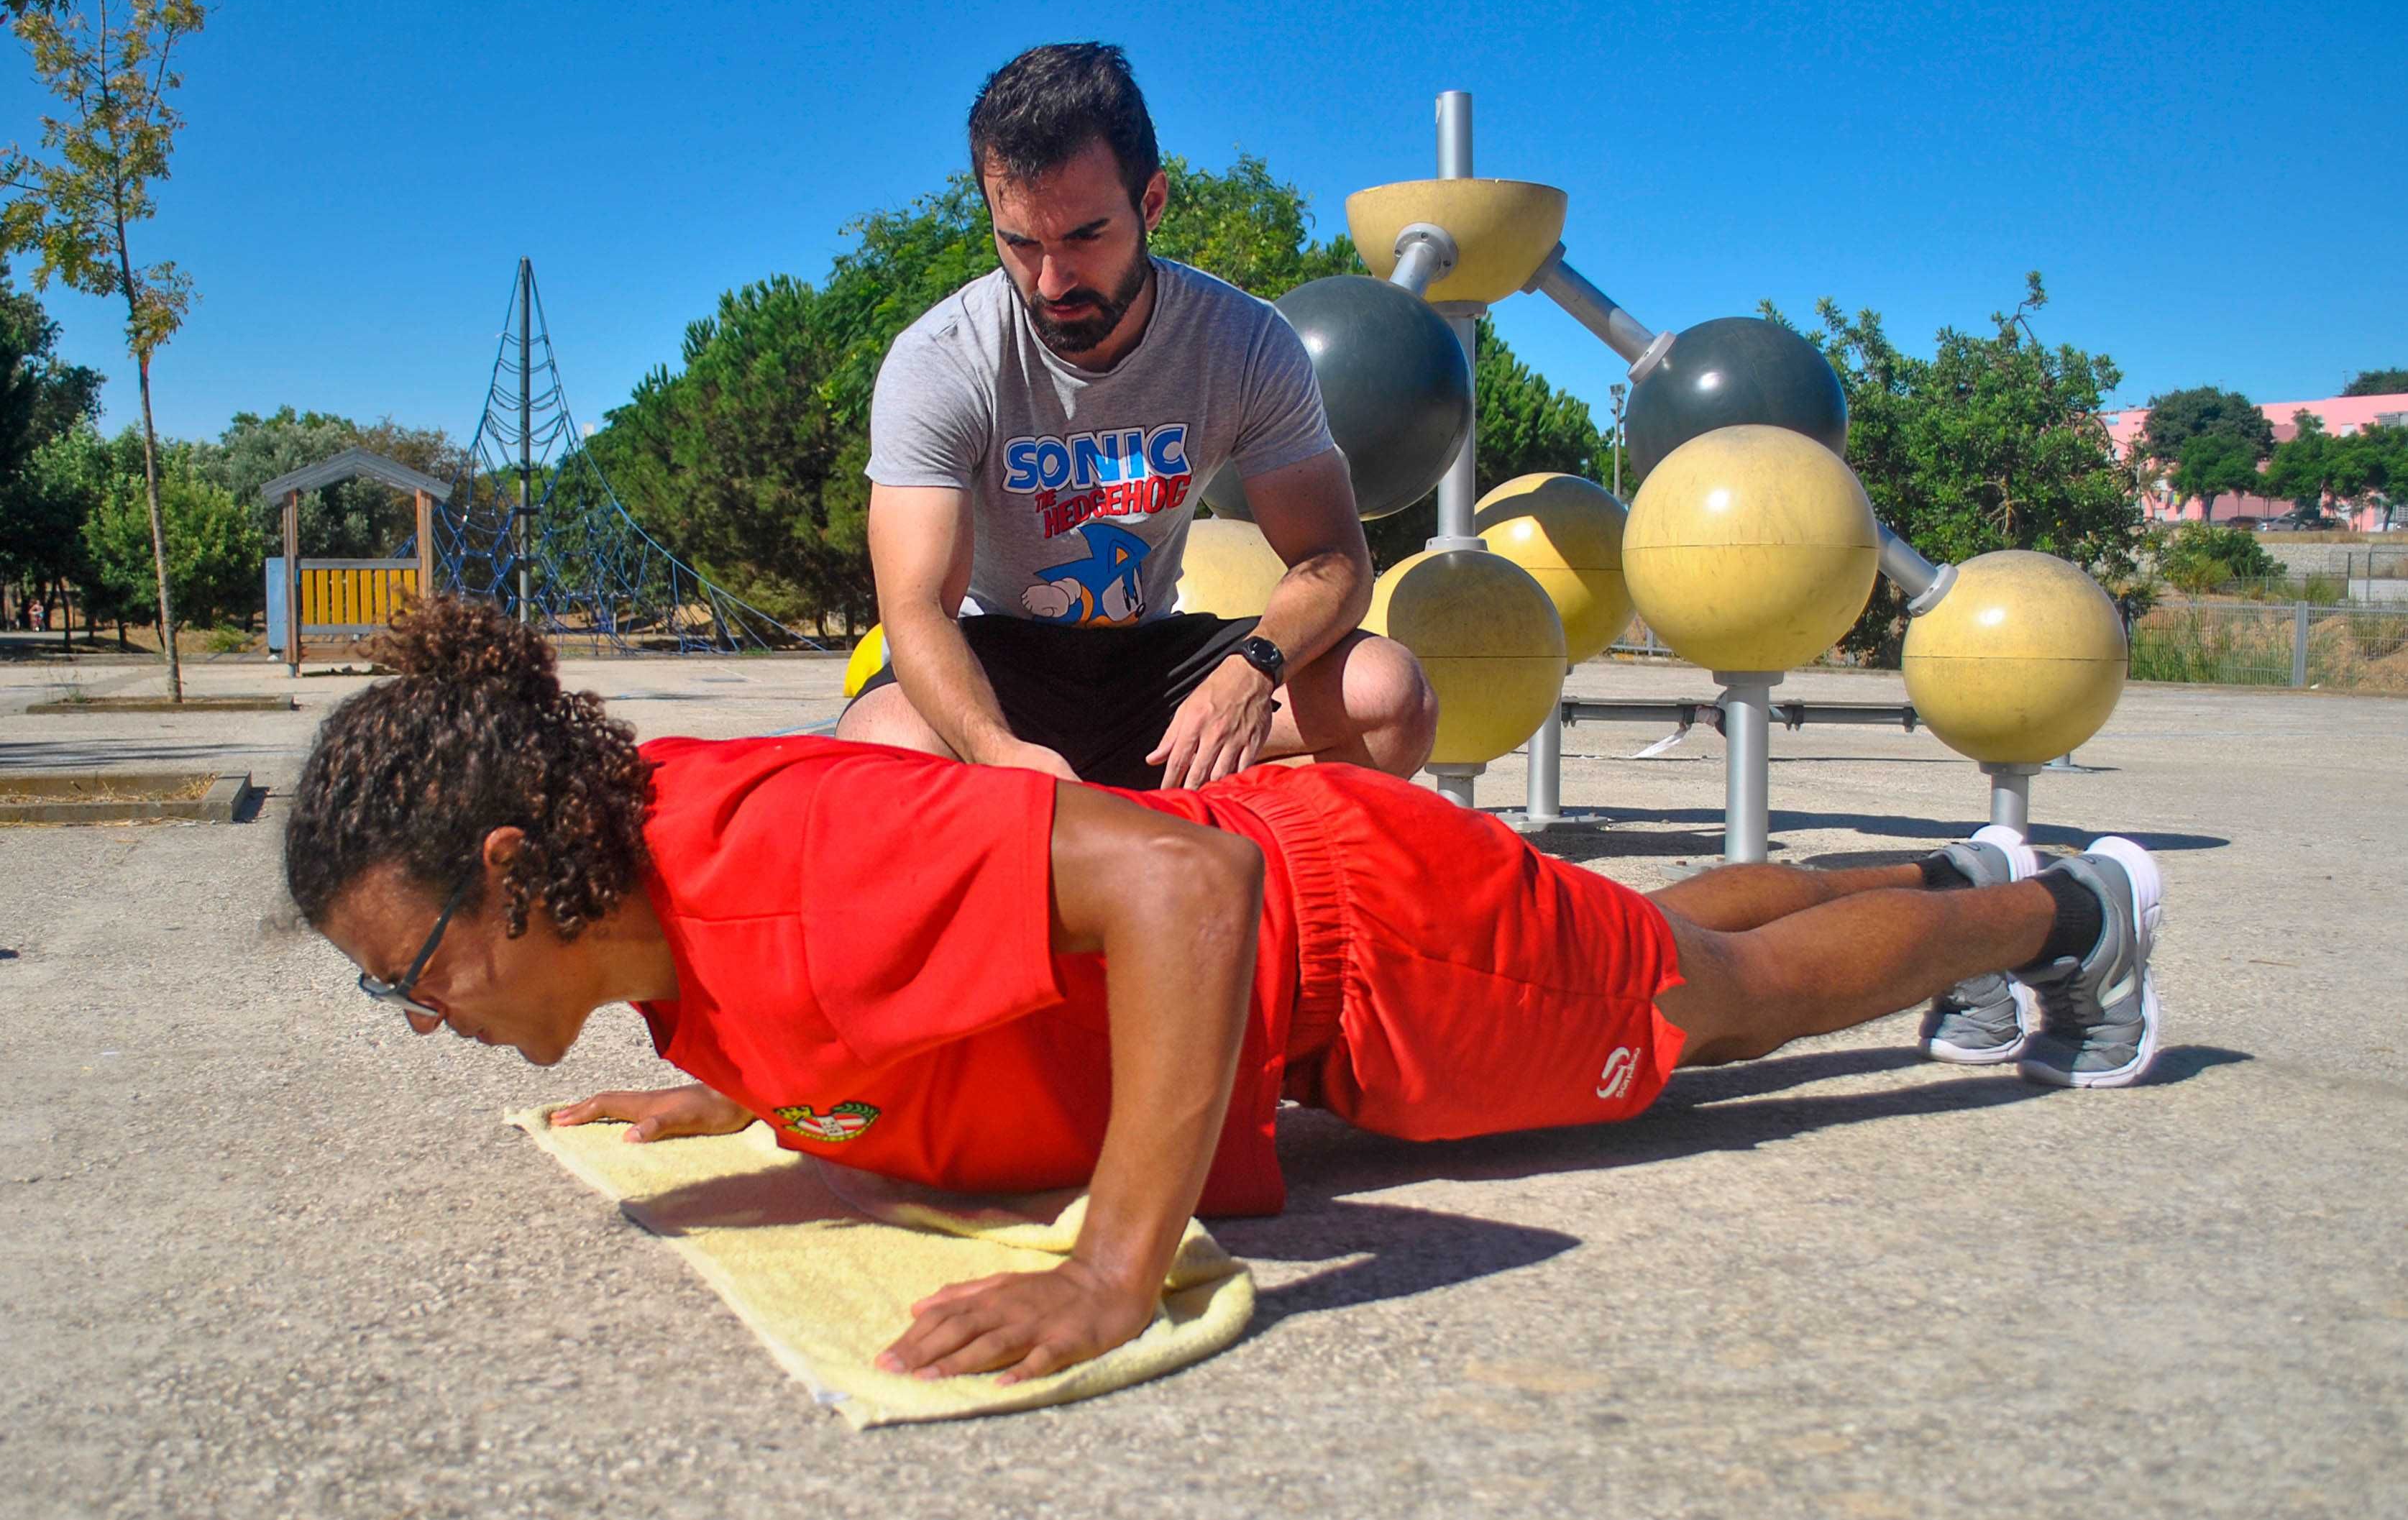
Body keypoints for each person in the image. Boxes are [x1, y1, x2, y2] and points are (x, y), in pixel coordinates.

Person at [290, 599, 2164, 1388]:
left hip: (1367, 946)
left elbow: (1189, 879)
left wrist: (1117, 1265)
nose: (425, 1015)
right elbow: (824, 1008)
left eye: (410, 974)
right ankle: (1964, 877)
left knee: (1719, 1004)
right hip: (1356, 911)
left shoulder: (778, 855)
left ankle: (2067, 919)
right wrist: (738, 1093)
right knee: (1653, 929)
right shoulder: (652, 917)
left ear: (519, 878)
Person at [838, 42, 1437, 791]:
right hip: (998, 661)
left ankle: (1240, 885)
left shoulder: (1242, 341)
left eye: (1086, 237)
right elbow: (916, 606)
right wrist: (997, 751)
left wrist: (1254, 667)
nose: (1052, 280)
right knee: (880, 749)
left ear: (1150, 202)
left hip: (1154, 664)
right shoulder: (942, 358)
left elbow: (1335, 561)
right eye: (1020, 243)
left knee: (1390, 697)